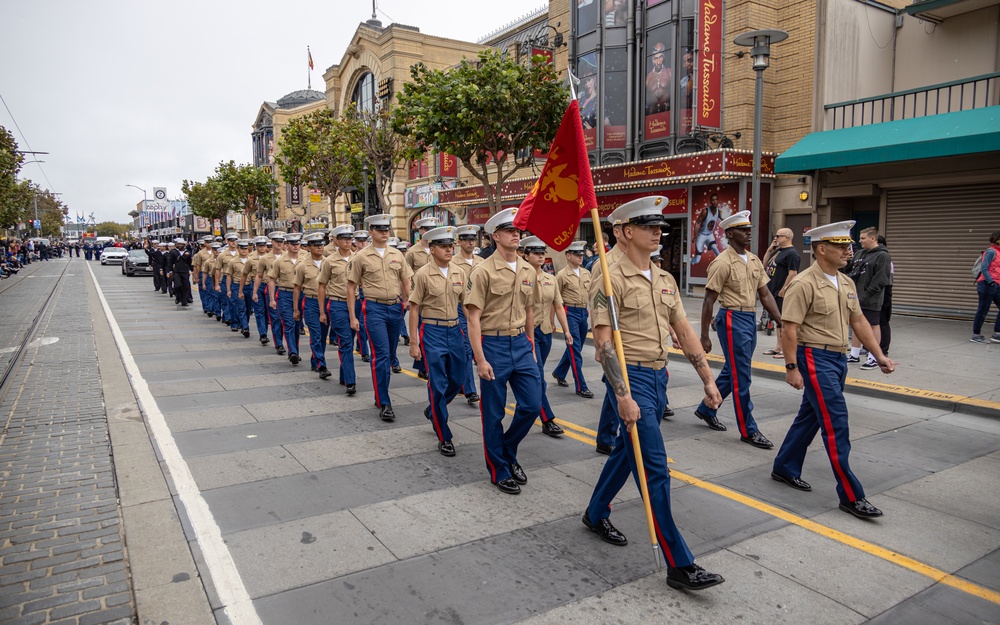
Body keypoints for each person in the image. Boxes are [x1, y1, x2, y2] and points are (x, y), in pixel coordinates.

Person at [584, 196, 725, 591]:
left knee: (628, 455)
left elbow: (682, 330)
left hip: (659, 377)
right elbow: (605, 344)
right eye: (649, 226)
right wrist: (622, 395)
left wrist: (707, 379)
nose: (658, 231)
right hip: (632, 380)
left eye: (660, 226)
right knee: (656, 468)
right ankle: (679, 564)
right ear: (626, 231)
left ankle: (595, 513)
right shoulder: (607, 274)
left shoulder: (663, 277)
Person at [772, 221, 897, 519]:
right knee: (836, 421)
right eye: (841, 246)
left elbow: (859, 322)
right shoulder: (803, 283)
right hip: (815, 358)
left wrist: (878, 355)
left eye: (848, 245)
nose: (848, 250)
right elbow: (789, 328)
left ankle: (784, 466)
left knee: (812, 415)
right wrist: (791, 367)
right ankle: (852, 496)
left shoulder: (847, 282)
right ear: (821, 249)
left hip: (838, 360)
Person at [464, 207, 540, 495]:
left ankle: (507, 448)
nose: (516, 235)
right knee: (493, 413)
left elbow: (529, 309)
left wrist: (530, 345)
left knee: (532, 404)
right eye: (510, 231)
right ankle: (499, 469)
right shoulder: (482, 271)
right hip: (492, 345)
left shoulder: (527, 269)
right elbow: (473, 318)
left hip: (520, 344)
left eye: (518, 231)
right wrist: (480, 359)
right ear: (495, 236)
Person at [694, 210, 782, 449]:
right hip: (732, 318)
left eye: (749, 229)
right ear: (730, 234)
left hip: (749, 319)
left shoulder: (753, 260)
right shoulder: (722, 262)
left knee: (734, 371)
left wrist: (781, 320)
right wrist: (704, 336)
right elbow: (708, 301)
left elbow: (765, 294)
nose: (748, 233)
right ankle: (748, 430)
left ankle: (706, 409)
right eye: (743, 230)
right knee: (742, 377)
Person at [408, 226, 469, 456]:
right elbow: (414, 309)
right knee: (437, 384)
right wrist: (414, 342)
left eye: (450, 246)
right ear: (432, 249)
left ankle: (434, 410)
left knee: (458, 379)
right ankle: (444, 435)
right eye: (443, 246)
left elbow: (465, 304)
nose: (448, 250)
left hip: (454, 331)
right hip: (432, 332)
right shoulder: (422, 274)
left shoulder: (458, 272)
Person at [348, 214, 413, 422]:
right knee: (382, 355)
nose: (384, 232)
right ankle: (384, 402)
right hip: (374, 308)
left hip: (395, 309)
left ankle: (380, 393)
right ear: (370, 232)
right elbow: (351, 287)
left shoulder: (397, 254)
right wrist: (352, 316)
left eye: (386, 228)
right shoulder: (361, 256)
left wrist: (407, 300)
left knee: (391, 353)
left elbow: (406, 279)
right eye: (379, 229)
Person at [522, 236, 570, 438]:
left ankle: (527, 406)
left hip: (546, 332)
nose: (540, 257)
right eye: (536, 253)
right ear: (526, 255)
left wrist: (566, 331)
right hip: (526, 333)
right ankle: (547, 419)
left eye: (542, 253)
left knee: (537, 375)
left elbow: (558, 305)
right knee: (538, 377)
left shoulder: (551, 279)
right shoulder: (520, 276)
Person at [318, 225, 357, 394]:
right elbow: (321, 286)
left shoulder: (358, 258)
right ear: (335, 240)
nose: (348, 242)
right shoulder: (329, 261)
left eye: (350, 238)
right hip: (338, 304)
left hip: (356, 304)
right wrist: (322, 311)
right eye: (344, 238)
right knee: (346, 342)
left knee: (352, 340)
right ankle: (351, 381)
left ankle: (344, 374)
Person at [552, 240, 594, 398]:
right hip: (569, 312)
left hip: (583, 312)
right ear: (568, 256)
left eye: (581, 254)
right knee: (575, 350)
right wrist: (552, 321)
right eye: (577, 255)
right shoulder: (561, 275)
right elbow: (555, 300)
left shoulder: (586, 273)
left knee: (575, 347)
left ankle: (559, 372)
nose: (580, 257)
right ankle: (581, 386)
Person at [846, 227, 892, 370]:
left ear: (873, 238)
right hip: (856, 296)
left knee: (873, 325)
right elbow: (849, 270)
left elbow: (881, 279)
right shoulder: (860, 253)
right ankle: (854, 354)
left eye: (863, 238)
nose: (860, 241)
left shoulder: (882, 256)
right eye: (860, 238)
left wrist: (865, 296)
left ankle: (873, 357)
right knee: (855, 324)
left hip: (871, 298)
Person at [450, 225, 484, 404]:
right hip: (461, 309)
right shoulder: (453, 262)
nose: (471, 242)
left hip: (482, 310)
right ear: (459, 242)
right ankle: (470, 389)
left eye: (473, 239)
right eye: (467, 239)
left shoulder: (482, 261)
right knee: (467, 349)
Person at [406, 217, 438, 378]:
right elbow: (406, 275)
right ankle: (423, 365)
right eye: (425, 228)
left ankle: (424, 364)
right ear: (420, 231)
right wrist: (408, 296)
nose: (428, 231)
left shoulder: (438, 248)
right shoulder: (412, 252)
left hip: (436, 297)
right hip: (420, 297)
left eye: (432, 228)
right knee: (421, 332)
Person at [294, 232, 330, 377]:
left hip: (327, 301)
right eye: (316, 245)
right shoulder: (303, 266)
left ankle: (315, 359)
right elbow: (297, 287)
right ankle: (322, 365)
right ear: (309, 247)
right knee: (315, 334)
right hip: (311, 302)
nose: (319, 247)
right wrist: (296, 309)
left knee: (322, 335)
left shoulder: (329, 262)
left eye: (321, 244)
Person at [761, 228, 800, 358]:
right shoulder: (778, 251)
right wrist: (769, 250)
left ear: (787, 238)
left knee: (784, 320)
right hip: (772, 289)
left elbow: (793, 273)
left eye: (779, 236)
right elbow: (765, 265)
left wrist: (784, 289)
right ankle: (778, 346)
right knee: (777, 320)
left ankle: (786, 349)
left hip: (781, 292)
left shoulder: (792, 254)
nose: (776, 238)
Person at [269, 233, 304, 365]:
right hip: (285, 294)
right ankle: (293, 352)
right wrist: (272, 299)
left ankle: (295, 350)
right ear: (287, 245)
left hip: (302, 294)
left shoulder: (306, 258)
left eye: (298, 243)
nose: (296, 246)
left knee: (297, 325)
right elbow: (272, 280)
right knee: (289, 323)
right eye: (293, 243)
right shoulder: (279, 261)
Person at [255, 232, 285, 352]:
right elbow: (259, 275)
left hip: (286, 290)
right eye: (276, 241)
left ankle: (291, 346)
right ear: (271, 243)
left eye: (281, 241)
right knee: (275, 317)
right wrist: (255, 292)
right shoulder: (265, 259)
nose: (279, 244)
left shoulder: (288, 256)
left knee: (288, 319)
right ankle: (279, 344)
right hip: (272, 288)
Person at [971, 230, 1000, 343]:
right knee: (983, 309)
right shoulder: (991, 252)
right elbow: (984, 268)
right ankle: (976, 334)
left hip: (997, 284)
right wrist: (991, 282)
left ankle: (997, 334)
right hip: (987, 284)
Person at [242, 236, 271, 343]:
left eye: (264, 245)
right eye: (260, 245)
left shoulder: (271, 258)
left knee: (268, 311)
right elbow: (244, 274)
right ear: (256, 246)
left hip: (269, 285)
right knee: (259, 311)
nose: (262, 248)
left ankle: (265, 331)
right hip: (256, 285)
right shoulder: (250, 258)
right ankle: (263, 334)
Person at [691, 193, 727, 265]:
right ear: (710, 202)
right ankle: (687, 261)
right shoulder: (705, 211)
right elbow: (697, 223)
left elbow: (724, 220)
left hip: (710, 235)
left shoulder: (719, 212)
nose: (714, 201)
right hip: (701, 235)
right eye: (713, 200)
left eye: (716, 200)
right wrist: (695, 236)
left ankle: (722, 266)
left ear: (718, 201)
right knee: (697, 260)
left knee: (716, 250)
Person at [352, 230, 371, 362]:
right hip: (358, 293)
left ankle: (361, 346)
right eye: (359, 241)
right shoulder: (354, 258)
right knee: (361, 323)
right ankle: (364, 350)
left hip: (369, 292)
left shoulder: (370, 256)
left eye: (364, 240)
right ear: (355, 242)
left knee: (367, 323)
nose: (362, 243)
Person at [227, 240, 252, 337]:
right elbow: (229, 276)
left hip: (249, 285)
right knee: (241, 307)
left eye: (245, 248)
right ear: (238, 249)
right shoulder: (233, 261)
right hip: (237, 285)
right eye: (242, 248)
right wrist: (229, 290)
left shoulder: (251, 260)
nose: (244, 250)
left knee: (248, 308)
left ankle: (244, 324)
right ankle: (245, 327)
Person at [877, 234, 893, 354]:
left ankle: (883, 349)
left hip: (885, 292)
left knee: (883, 321)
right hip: (878, 294)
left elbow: (885, 281)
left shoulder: (884, 258)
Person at [645, 42, 671, 114]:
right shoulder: (648, 79)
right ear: (652, 60)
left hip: (668, 111)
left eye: (660, 57)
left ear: (663, 58)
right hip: (653, 112)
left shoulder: (669, 73)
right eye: (656, 58)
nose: (658, 62)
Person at [167, 238, 193, 307]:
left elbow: (190, 263)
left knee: (186, 286)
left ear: (184, 245)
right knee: (177, 285)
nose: (179, 245)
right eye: (178, 244)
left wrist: (191, 270)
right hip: (177, 271)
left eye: (181, 244)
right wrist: (170, 271)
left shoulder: (187, 253)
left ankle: (184, 301)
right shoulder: (174, 252)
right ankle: (178, 296)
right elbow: (170, 262)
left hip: (185, 271)